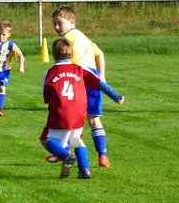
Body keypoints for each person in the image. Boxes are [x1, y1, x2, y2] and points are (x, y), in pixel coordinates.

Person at [41, 38, 124, 180]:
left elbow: (46, 97)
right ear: (72, 55)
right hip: (79, 111)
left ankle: (66, 156)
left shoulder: (49, 73)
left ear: (54, 55)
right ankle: (85, 170)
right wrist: (116, 96)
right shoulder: (80, 69)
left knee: (45, 139)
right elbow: (100, 83)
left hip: (60, 111)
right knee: (77, 139)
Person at [49, 5, 113, 168]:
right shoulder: (83, 37)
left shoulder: (68, 39)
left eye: (59, 23)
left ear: (72, 21)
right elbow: (99, 54)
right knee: (94, 119)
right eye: (54, 24)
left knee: (70, 118)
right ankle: (103, 155)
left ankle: (63, 152)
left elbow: (69, 65)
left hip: (79, 81)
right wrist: (101, 75)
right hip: (92, 78)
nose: (56, 27)